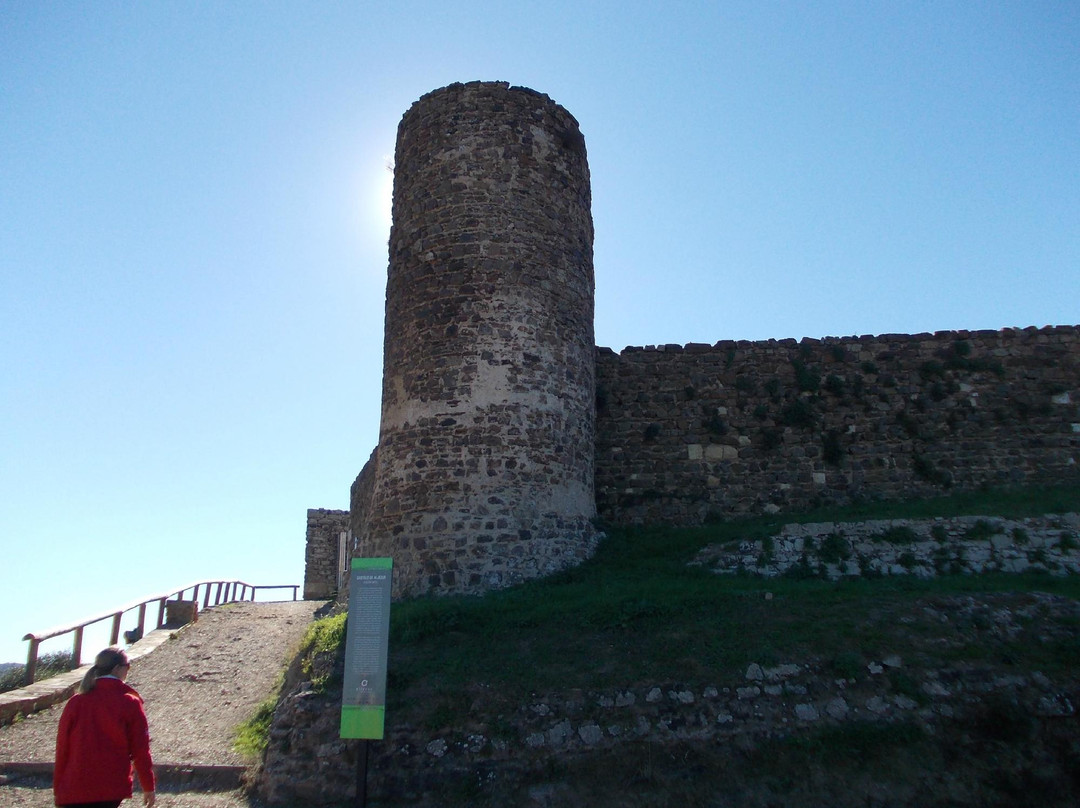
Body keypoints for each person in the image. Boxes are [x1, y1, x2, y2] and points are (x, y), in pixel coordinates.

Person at [53, 647, 156, 808]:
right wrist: (148, 786)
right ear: (117, 668)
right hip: (111, 786)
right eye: (127, 666)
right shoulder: (129, 702)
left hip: (74, 786)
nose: (128, 670)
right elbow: (140, 749)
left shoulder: (76, 702)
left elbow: (62, 748)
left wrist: (58, 787)